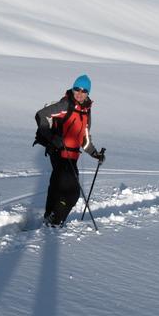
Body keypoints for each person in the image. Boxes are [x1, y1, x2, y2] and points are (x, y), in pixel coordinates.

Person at [34, 74, 105, 227]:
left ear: (88, 93)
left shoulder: (86, 111)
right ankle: (54, 222)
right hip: (60, 153)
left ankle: (50, 217)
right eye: (77, 89)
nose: (80, 93)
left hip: (72, 157)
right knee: (72, 194)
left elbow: (84, 139)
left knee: (57, 188)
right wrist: (52, 138)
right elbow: (41, 115)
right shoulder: (65, 105)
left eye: (84, 90)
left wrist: (95, 154)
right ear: (73, 89)